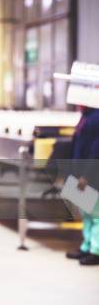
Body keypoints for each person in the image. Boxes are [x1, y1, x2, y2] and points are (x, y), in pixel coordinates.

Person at [65, 105, 99, 266]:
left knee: (96, 216)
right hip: (81, 173)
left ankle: (96, 251)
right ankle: (87, 246)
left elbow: (96, 151)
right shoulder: (86, 116)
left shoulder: (96, 117)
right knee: (87, 214)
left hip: (92, 175)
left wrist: (87, 175)